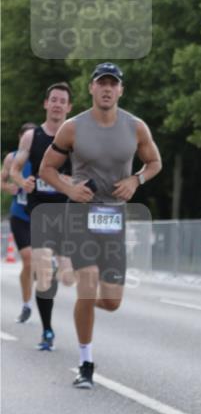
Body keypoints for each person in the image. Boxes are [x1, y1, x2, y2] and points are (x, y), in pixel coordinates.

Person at [39, 63, 162, 387]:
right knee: (88, 280)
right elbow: (47, 169)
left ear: (120, 90)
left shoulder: (135, 128)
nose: (107, 88)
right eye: (101, 83)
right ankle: (86, 363)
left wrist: (136, 180)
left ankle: (83, 298)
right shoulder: (72, 127)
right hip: (81, 213)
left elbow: (155, 162)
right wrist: (68, 188)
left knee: (111, 301)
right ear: (91, 88)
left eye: (113, 84)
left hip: (114, 216)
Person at [10, 85, 74, 350]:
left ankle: (62, 264)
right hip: (38, 213)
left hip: (66, 213)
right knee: (44, 275)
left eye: (63, 101)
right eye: (54, 100)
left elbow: (87, 171)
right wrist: (22, 181)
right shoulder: (31, 137)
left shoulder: (74, 136)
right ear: (46, 104)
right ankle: (47, 331)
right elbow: (14, 169)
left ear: (69, 108)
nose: (58, 105)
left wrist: (72, 181)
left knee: (68, 275)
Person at [1, 123, 37, 322]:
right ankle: (26, 305)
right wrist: (10, 188)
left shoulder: (46, 156)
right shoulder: (12, 158)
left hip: (41, 215)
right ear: (21, 138)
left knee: (39, 263)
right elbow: (1, 181)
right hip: (20, 215)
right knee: (28, 259)